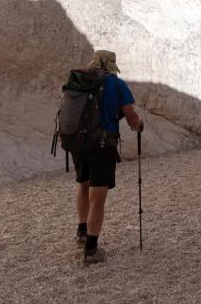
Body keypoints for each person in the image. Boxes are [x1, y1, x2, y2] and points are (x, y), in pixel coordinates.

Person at [72, 49, 142, 264]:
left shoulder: (80, 80)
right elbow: (130, 116)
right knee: (98, 195)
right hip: (102, 145)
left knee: (83, 185)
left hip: (77, 142)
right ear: (112, 65)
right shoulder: (117, 84)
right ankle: (92, 251)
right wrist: (138, 126)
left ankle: (82, 233)